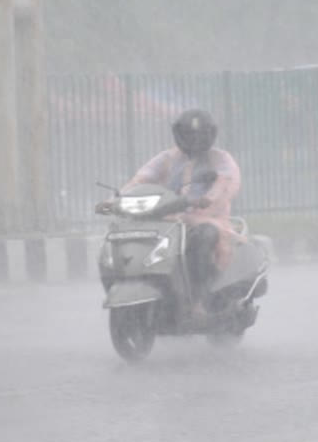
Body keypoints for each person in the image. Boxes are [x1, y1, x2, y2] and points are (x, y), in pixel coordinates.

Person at [99, 109, 241, 319]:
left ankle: (199, 301)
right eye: (189, 134)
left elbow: (226, 183)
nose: (195, 139)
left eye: (200, 134)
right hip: (168, 220)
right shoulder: (167, 158)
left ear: (211, 135)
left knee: (202, 240)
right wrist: (116, 200)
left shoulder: (220, 159)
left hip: (208, 220)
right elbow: (141, 180)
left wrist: (209, 199)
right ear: (178, 134)